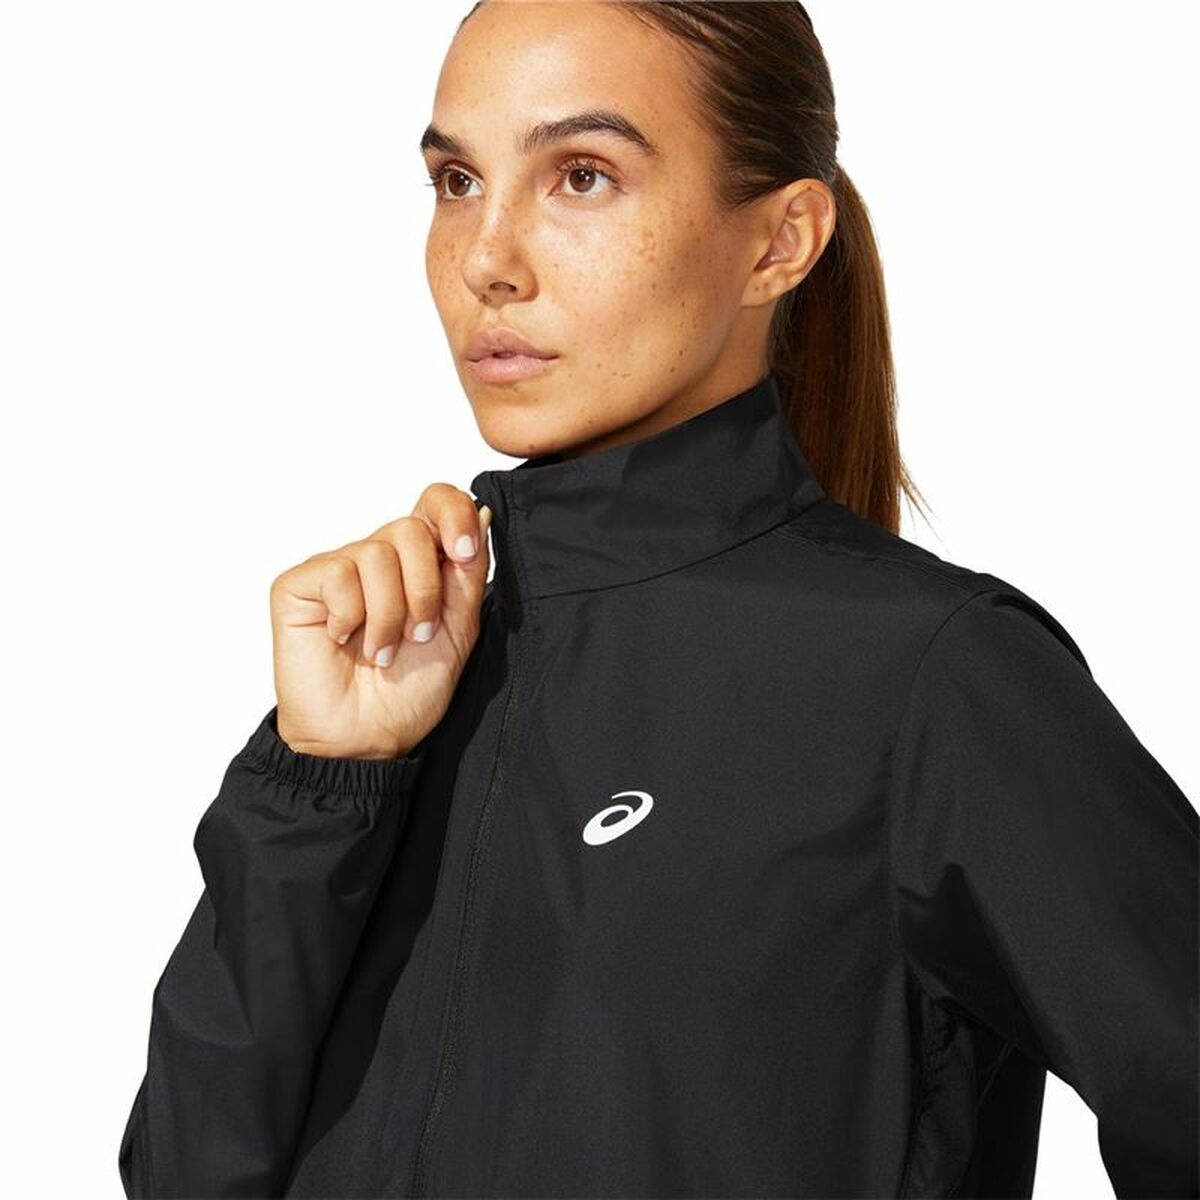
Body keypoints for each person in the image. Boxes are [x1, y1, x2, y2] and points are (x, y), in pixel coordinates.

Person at [118, 2, 1199, 1197]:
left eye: (581, 176)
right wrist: (326, 785)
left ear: (780, 241)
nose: (486, 259)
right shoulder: (401, 683)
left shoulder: (931, 682)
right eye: (458, 181)